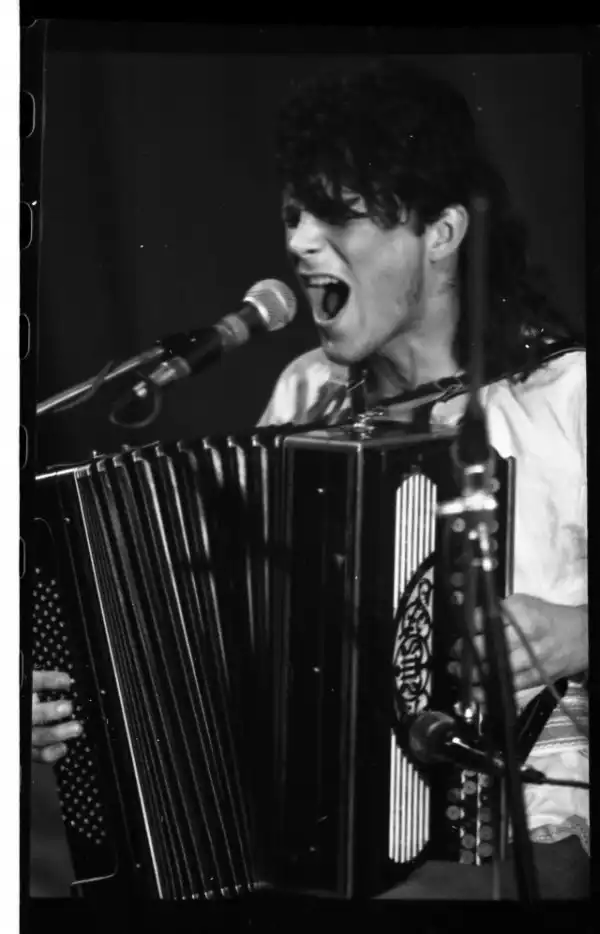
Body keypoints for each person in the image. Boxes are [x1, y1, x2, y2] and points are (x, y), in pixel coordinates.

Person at [31, 58, 588, 898]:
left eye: (338, 214)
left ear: (440, 233)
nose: (297, 241)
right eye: (295, 214)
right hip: (311, 838)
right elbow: (219, 625)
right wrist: (76, 696)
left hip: (523, 834)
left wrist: (581, 632)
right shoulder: (306, 394)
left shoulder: (565, 396)